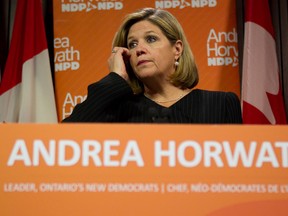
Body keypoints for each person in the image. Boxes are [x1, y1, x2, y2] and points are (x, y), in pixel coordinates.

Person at [62, 7, 242, 124]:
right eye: (132, 44)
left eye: (151, 39)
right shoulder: (117, 110)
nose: (139, 49)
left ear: (177, 49)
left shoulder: (221, 104)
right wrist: (115, 78)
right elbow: (64, 141)